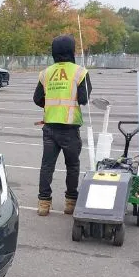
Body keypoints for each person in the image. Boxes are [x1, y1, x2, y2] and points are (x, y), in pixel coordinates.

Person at [33, 34, 93, 216]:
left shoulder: (46, 73)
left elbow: (37, 99)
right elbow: (83, 99)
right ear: (71, 50)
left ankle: (44, 203)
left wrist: (51, 104)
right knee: (72, 166)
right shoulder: (80, 72)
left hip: (50, 128)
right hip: (69, 128)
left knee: (47, 166)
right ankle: (70, 203)